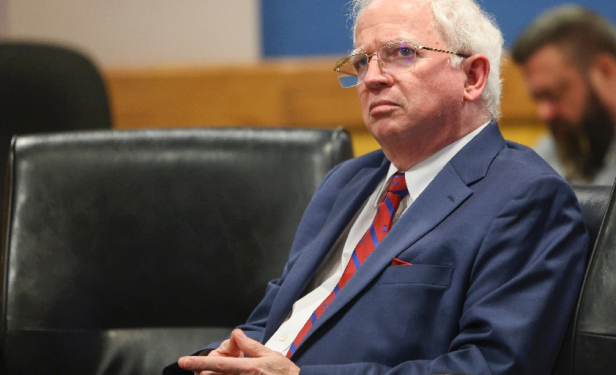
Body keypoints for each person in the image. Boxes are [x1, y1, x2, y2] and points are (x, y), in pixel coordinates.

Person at [165, 0, 588, 374]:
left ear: (473, 76)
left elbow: (491, 365)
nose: (372, 79)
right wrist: (216, 363)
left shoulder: (526, 197)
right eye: (362, 62)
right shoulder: (346, 182)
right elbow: (271, 323)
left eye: (401, 53)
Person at [511, 5, 616, 185]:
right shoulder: (549, 152)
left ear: (605, 71)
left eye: (555, 94)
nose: (544, 112)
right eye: (538, 98)